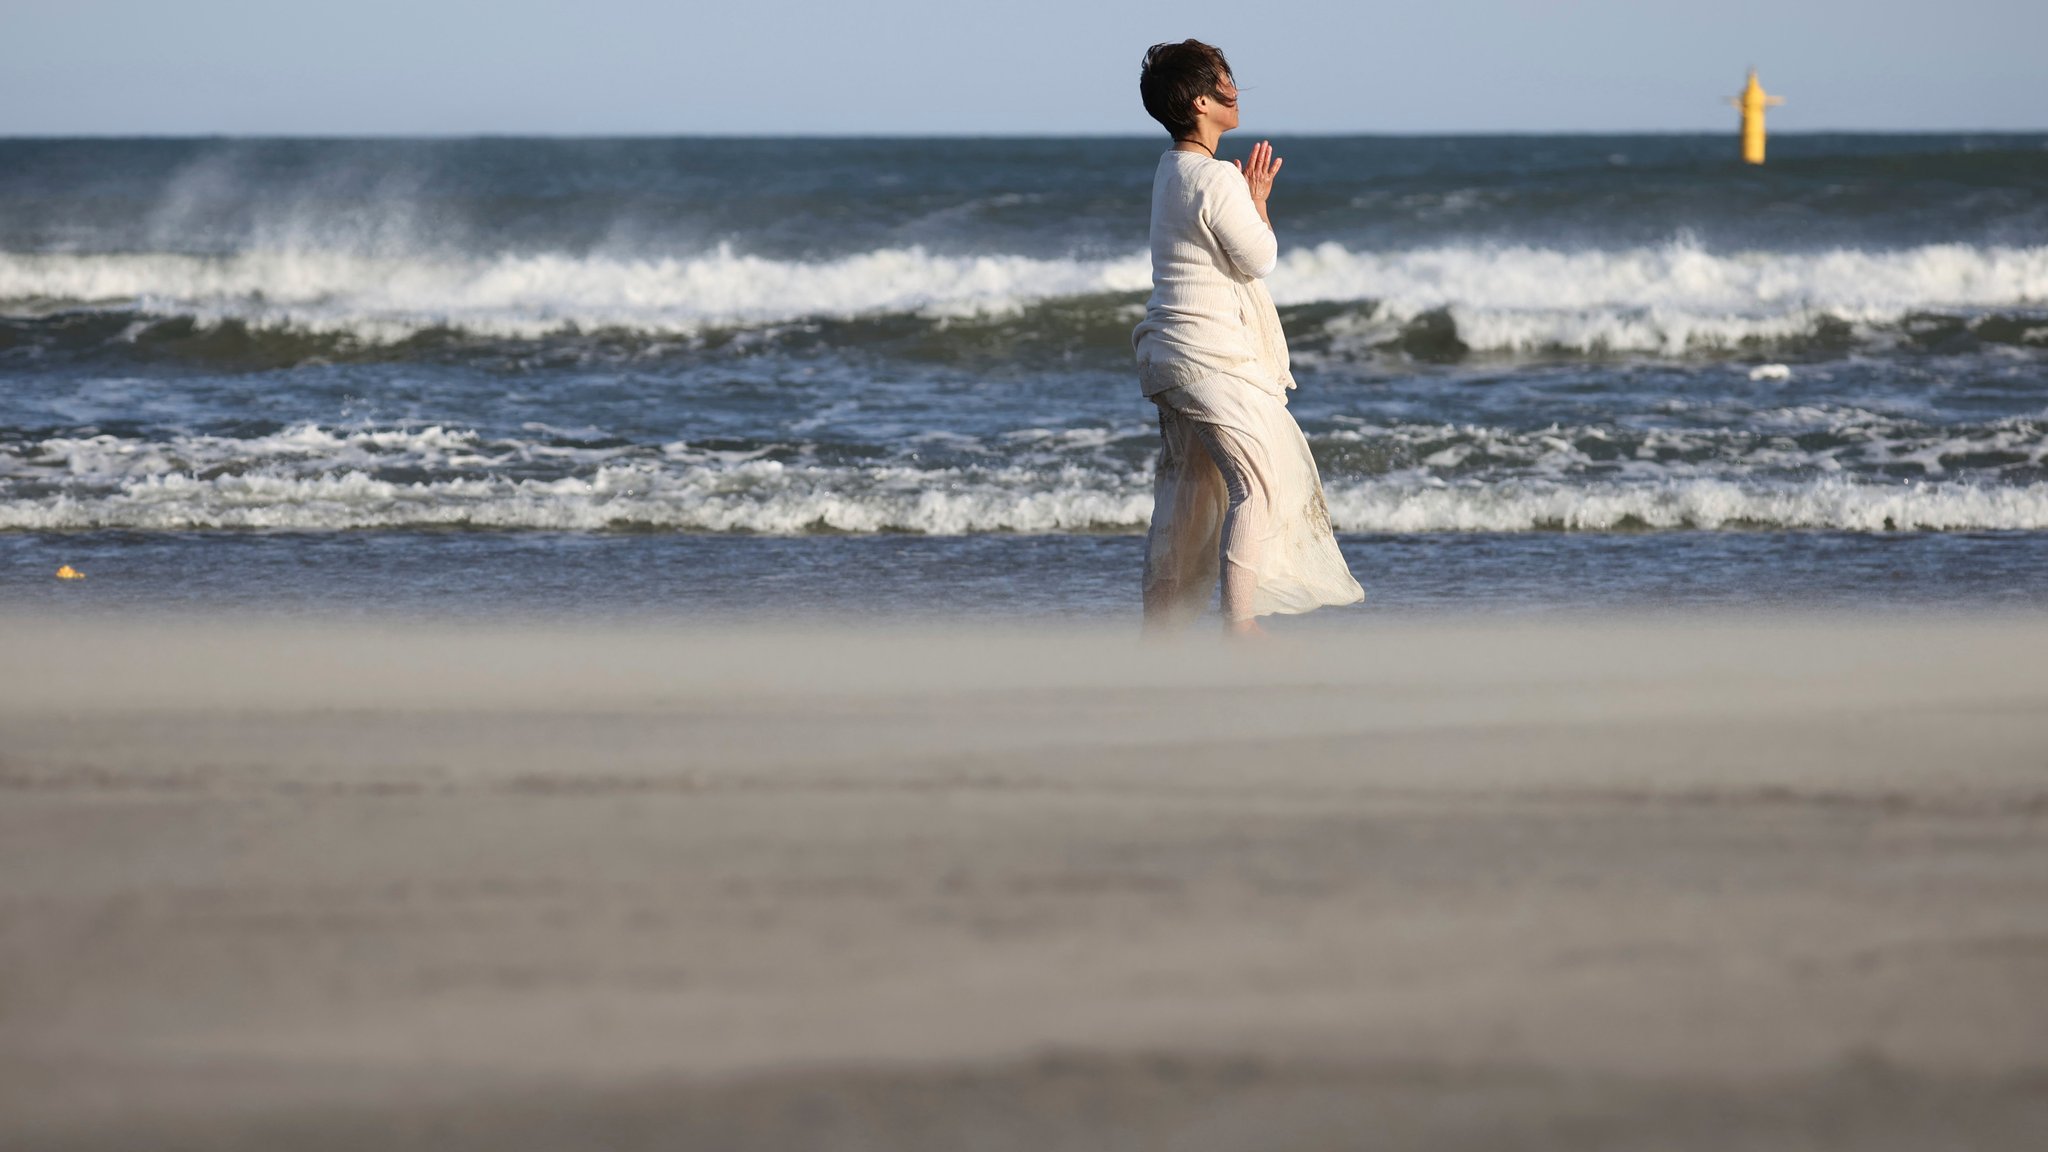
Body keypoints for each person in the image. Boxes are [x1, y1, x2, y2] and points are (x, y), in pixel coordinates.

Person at [1133, 40, 1364, 637]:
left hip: (1170, 354)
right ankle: (1241, 628)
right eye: (1224, 78)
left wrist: (1246, 198)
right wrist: (1258, 200)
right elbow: (1259, 258)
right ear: (1200, 101)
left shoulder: (1170, 170)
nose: (1236, 87)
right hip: (1207, 356)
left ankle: (1158, 636)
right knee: (1256, 482)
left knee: (1187, 493)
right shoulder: (1213, 178)